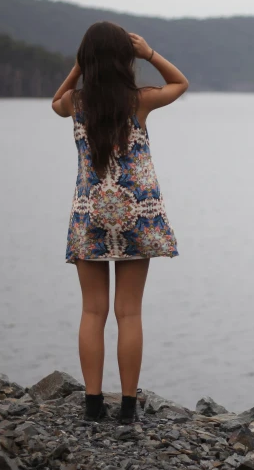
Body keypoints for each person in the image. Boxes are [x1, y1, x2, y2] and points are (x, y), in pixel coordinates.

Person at [51, 22, 188, 423]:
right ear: (125, 59)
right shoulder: (139, 102)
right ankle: (128, 408)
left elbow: (54, 101)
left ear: (87, 59)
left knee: (93, 312)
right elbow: (180, 83)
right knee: (129, 313)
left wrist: (78, 69)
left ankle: (93, 404)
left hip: (91, 214)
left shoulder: (76, 104)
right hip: (136, 214)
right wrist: (149, 53)